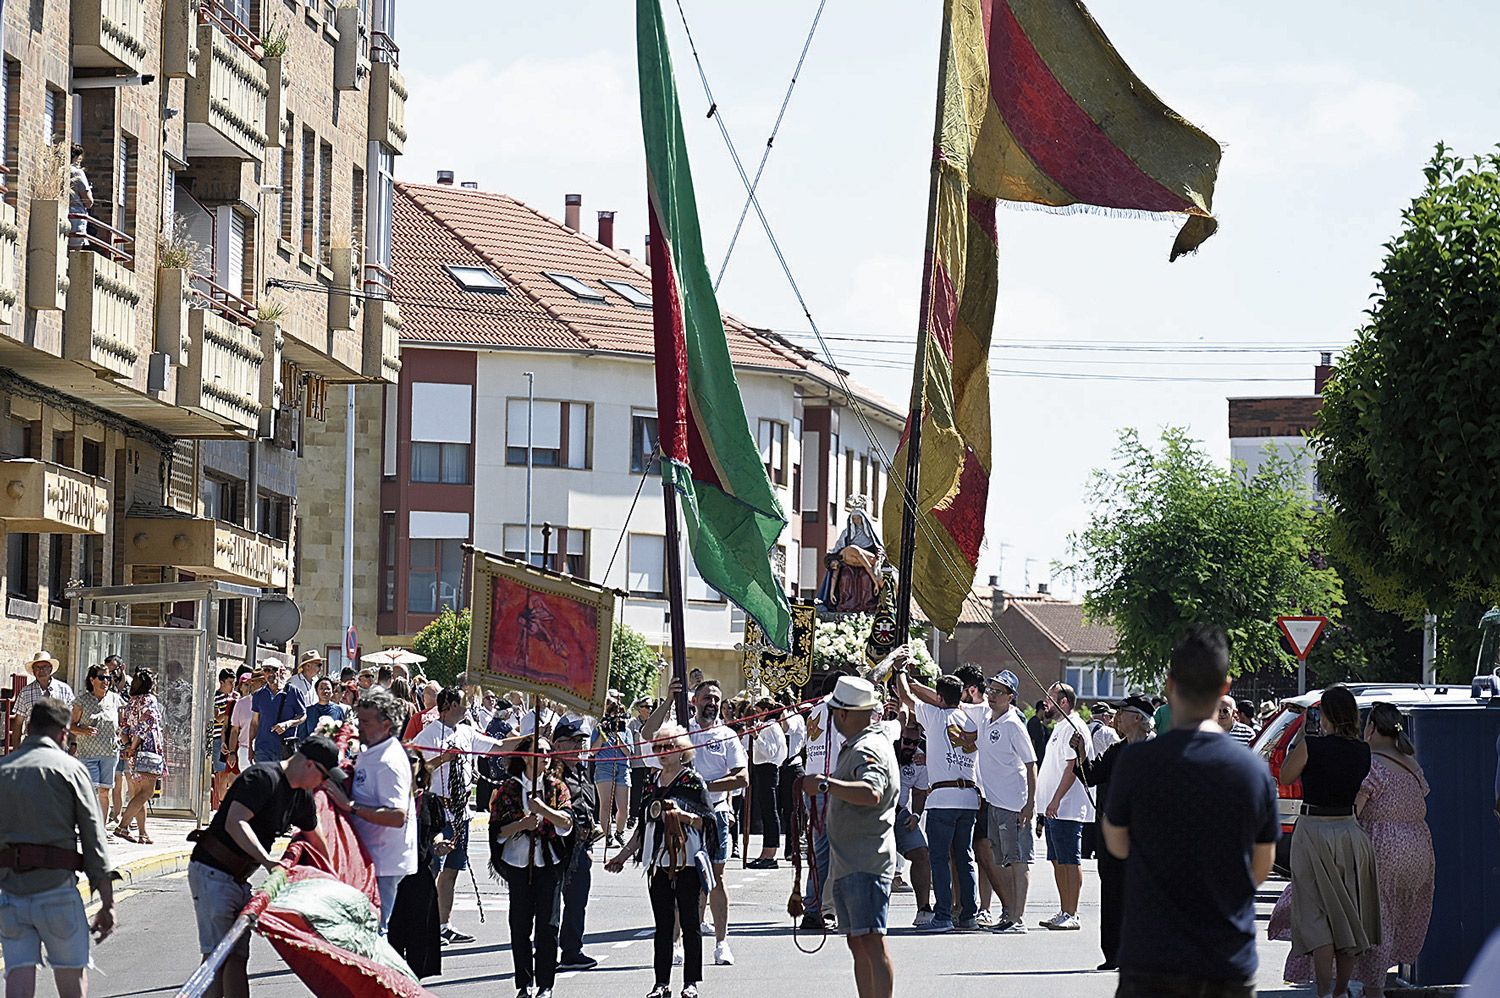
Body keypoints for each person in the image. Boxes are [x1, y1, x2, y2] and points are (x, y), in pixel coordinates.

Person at [1102, 625, 1279, 998]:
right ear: (1225, 688)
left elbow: (1117, 844)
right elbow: (1261, 865)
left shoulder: (1136, 763)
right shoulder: (1252, 770)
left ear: (1169, 685)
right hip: (1225, 959)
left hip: (1152, 956)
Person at [1273, 702, 1434, 998]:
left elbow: (1356, 805)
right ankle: (1359, 986)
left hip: (1382, 848)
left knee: (1363, 920)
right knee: (1386, 919)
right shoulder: (1410, 763)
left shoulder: (1373, 763)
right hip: (1419, 848)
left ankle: (1368, 989)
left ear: (1371, 727)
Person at [186, 736, 337, 998]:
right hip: (212, 871)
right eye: (324, 777)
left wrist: (334, 882)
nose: (322, 785)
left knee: (236, 957)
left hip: (238, 879)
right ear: (310, 765)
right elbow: (237, 822)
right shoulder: (261, 777)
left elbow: (316, 839)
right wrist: (268, 861)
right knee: (219, 957)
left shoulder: (300, 797)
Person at [0, 698, 115, 998]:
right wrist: (107, 901)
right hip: (56, 892)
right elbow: (94, 839)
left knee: (18, 975)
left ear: (29, 728)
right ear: (64, 733)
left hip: (10, 893)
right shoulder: (71, 770)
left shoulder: (3, 769)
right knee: (71, 978)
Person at [1276, 685, 1381, 998]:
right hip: (1349, 831)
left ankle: (1323, 992)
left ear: (1326, 714)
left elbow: (1284, 776)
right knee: (1347, 915)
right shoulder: (1363, 751)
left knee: (1316, 915)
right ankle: (1340, 990)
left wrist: (1304, 740)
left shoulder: (1312, 746)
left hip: (1314, 830)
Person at [642, 677, 748, 965]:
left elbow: (742, 777)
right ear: (694, 701)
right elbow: (648, 735)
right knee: (677, 876)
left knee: (716, 879)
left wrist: (701, 787)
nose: (711, 703)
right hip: (678, 819)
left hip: (714, 815)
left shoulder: (727, 734)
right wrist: (667, 700)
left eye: (716, 698)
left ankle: (722, 943)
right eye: (706, 698)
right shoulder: (680, 731)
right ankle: (676, 943)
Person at [804, 676, 897, 998]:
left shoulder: (867, 747)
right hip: (852, 862)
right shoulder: (860, 744)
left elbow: (872, 792)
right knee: (859, 941)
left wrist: (825, 784)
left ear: (844, 713)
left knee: (870, 940)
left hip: (866, 861)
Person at [606, 722, 714, 998]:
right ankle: (661, 983)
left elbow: (708, 823)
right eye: (658, 747)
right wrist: (623, 855)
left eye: (668, 746)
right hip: (658, 862)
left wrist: (682, 815)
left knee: (690, 923)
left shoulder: (692, 781)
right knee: (663, 925)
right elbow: (643, 827)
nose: (662, 752)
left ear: (682, 750)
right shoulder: (652, 782)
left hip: (687, 861)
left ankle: (690, 983)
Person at [409, 686, 507, 945]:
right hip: (437, 811)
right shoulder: (427, 736)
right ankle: (423, 924)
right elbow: (417, 770)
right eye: (463, 703)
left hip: (461, 810)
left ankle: (443, 925)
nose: (467, 707)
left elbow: (496, 747)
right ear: (450, 704)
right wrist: (444, 758)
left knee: (452, 870)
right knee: (431, 869)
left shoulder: (466, 731)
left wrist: (528, 741)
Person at [895, 667, 981, 932]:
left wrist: (899, 672)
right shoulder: (970, 718)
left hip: (943, 798)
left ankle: (943, 915)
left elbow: (906, 697)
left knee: (940, 859)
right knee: (964, 858)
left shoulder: (934, 716)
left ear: (939, 698)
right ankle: (969, 914)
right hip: (969, 798)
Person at [490, 735, 574, 998]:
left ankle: (545, 985)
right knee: (520, 924)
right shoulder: (509, 789)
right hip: (518, 863)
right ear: (526, 755)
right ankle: (524, 984)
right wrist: (521, 824)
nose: (545, 755)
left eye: (549, 751)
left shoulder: (557, 787)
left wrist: (544, 810)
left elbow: (567, 824)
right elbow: (498, 830)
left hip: (549, 862)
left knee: (548, 925)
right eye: (539, 751)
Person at [1077, 693, 1155, 969]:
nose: (1117, 718)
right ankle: (1114, 953)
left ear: (1137, 718)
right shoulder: (1115, 751)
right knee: (1112, 894)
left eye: (1122, 713)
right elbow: (1091, 776)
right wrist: (1081, 754)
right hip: (1112, 836)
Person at [342, 690, 418, 934]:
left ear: (386, 724)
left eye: (366, 722)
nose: (360, 727)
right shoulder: (373, 750)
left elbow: (397, 816)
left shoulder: (389, 762)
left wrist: (353, 808)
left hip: (384, 861)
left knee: (374, 930)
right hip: (370, 857)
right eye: (359, 720)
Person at [972, 670, 1037, 935]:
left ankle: (1018, 918)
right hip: (994, 801)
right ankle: (1008, 913)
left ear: (1011, 697)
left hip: (1014, 803)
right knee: (1002, 861)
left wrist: (1030, 804)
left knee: (1018, 860)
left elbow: (1031, 763)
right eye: (991, 690)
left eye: (999, 692)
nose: (993, 696)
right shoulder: (987, 719)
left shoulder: (1013, 724)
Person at [1034, 682, 1094, 930]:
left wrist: (1057, 798)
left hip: (1066, 807)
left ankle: (1073, 912)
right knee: (1057, 860)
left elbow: (1072, 768)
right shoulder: (1059, 727)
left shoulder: (1074, 727)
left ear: (1065, 702)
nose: (1046, 702)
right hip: (1053, 809)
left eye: (1051, 697)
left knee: (1070, 859)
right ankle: (1063, 910)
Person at [388, 750, 445, 980]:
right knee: (392, 932)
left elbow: (435, 833)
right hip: (391, 873)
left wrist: (440, 845)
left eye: (413, 760)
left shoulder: (429, 800)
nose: (409, 764)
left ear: (421, 765)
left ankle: (413, 982)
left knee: (420, 929)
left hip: (419, 872)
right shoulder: (387, 798)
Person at [552, 719, 601, 972]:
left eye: (581, 741)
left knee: (576, 901)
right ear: (558, 743)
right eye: (572, 741)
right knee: (549, 904)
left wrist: (591, 841)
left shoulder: (584, 769)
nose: (578, 746)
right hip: (555, 845)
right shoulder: (550, 771)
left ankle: (571, 950)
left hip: (580, 847)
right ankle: (546, 951)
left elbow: (588, 806)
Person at [70, 664, 125, 833]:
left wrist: (124, 738)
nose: (105, 681)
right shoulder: (82, 701)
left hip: (110, 753)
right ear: (92, 680)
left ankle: (100, 829)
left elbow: (123, 724)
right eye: (101, 678)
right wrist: (83, 730)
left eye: (108, 678)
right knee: (90, 791)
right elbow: (70, 725)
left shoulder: (115, 699)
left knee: (105, 791)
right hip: (88, 753)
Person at [116, 671, 167, 844]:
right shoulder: (149, 700)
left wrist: (128, 746)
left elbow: (123, 728)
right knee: (147, 792)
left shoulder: (131, 702)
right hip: (147, 750)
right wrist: (134, 745)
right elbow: (144, 726)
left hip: (133, 752)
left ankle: (143, 833)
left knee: (138, 794)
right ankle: (123, 826)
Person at [893, 721, 934, 923]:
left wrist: (916, 815)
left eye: (915, 742)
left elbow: (919, 792)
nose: (910, 746)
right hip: (873, 813)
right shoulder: (884, 746)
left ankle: (924, 908)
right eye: (906, 741)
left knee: (921, 854)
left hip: (900, 813)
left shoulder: (919, 759)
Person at [748, 697, 787, 868]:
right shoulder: (768, 726)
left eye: (758, 712)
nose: (756, 715)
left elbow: (770, 752)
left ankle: (770, 854)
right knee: (766, 811)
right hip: (762, 769)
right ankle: (765, 852)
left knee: (770, 812)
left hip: (768, 769)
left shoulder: (770, 727)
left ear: (765, 711)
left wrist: (756, 737)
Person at [10, 651, 74, 747]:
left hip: (58, 743)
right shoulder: (25, 692)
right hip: (32, 744)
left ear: (50, 669)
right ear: (33, 671)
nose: (41, 670)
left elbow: (72, 719)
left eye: (44, 667)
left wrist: (72, 743)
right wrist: (16, 748)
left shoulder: (65, 689)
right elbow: (18, 723)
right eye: (37, 668)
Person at [592, 696, 632, 848]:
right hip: (604, 767)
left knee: (623, 807)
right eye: (614, 713)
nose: (617, 716)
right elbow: (593, 751)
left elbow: (629, 752)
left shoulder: (625, 730)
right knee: (606, 804)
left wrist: (618, 739)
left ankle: (620, 833)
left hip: (622, 767)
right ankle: (608, 835)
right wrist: (603, 736)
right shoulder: (599, 728)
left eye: (620, 713)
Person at [250, 659, 307, 763]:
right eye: (267, 670)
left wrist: (288, 724)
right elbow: (254, 723)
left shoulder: (293, 692)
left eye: (274, 670)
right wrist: (250, 746)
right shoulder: (258, 695)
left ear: (281, 671)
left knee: (281, 779)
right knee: (264, 778)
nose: (270, 673)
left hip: (284, 748)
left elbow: (303, 716)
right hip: (263, 748)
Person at [627, 697, 655, 828]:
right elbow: (628, 740)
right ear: (640, 708)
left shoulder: (653, 722)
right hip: (637, 762)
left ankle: (647, 814)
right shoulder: (632, 723)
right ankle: (633, 815)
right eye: (647, 706)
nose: (650, 709)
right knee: (636, 790)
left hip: (650, 763)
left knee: (649, 789)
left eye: (651, 707)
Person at [225, 668, 257, 778]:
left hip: (262, 751)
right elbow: (234, 730)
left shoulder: (270, 703)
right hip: (244, 750)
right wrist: (232, 753)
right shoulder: (241, 704)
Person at [68, 143, 94, 249]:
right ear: (76, 158)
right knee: (73, 255)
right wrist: (89, 190)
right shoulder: (77, 173)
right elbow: (88, 202)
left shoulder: (56, 170)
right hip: (76, 218)